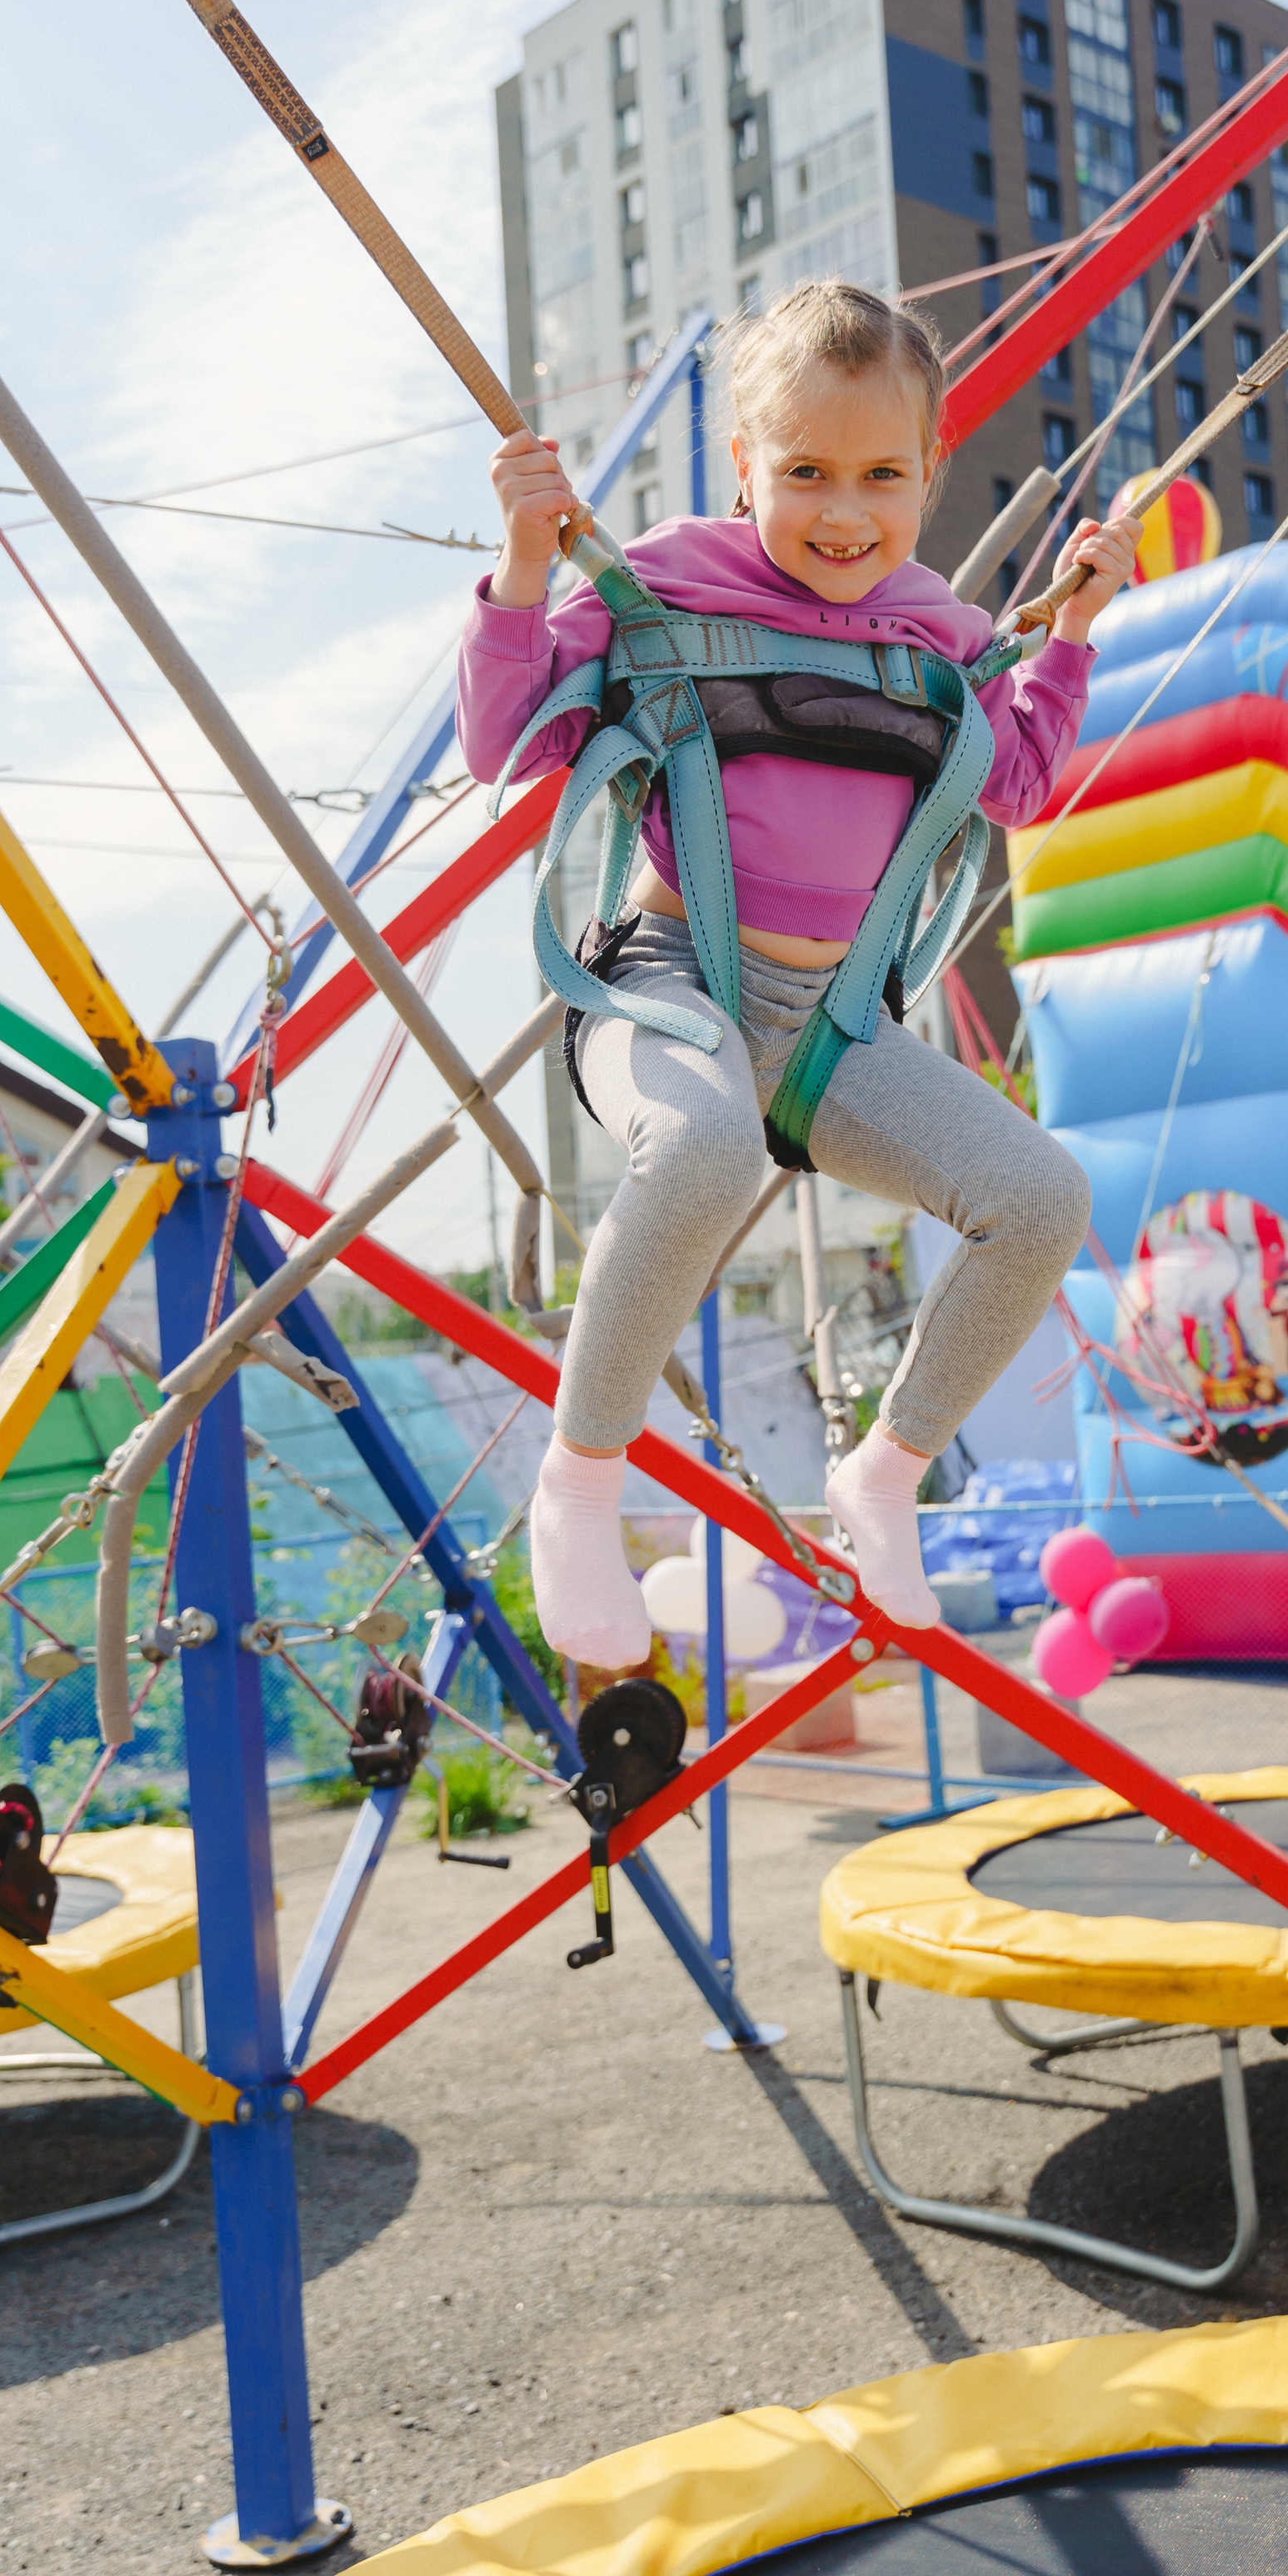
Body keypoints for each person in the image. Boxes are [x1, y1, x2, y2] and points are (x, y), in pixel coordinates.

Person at [456, 280, 1139, 1663]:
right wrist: (528, 564)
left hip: (828, 1031)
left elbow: (1012, 781)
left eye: (883, 476)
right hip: (662, 985)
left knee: (1041, 1200)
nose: (845, 513)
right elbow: (501, 744)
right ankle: (579, 1483)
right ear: (744, 468)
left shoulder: (938, 630)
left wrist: (1065, 636)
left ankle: (882, 1476)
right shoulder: (669, 576)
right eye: (807, 473)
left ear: (932, 471)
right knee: (706, 1153)